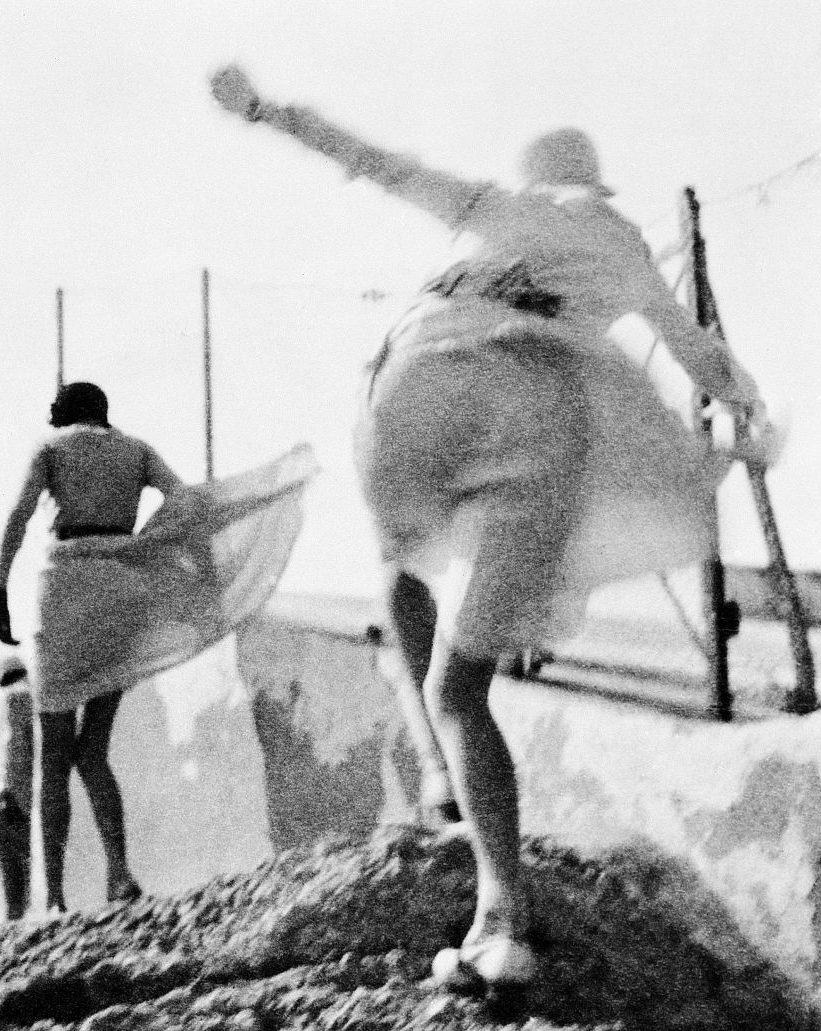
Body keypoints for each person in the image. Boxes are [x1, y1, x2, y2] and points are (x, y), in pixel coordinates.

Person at [210, 65, 771, 990]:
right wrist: (747, 406)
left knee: (402, 567)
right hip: (548, 418)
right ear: (594, 186)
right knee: (463, 683)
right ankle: (501, 913)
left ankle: (441, 774)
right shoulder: (627, 245)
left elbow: (379, 164)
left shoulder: (502, 209)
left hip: (425, 384)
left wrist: (269, 112)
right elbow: (700, 354)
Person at [0, 381, 315, 914]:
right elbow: (188, 504)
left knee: (55, 757)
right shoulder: (135, 449)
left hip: (66, 589)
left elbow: (18, 518)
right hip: (123, 587)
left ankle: (55, 898)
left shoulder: (50, 449)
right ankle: (119, 873)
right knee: (93, 750)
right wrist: (187, 565)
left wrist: (0, 590)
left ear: (67, 414)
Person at [0, 654, 36, 921]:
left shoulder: (13, 701)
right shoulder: (28, 700)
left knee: (13, 882)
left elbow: (15, 753)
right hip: (17, 799)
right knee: (21, 879)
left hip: (8, 798)